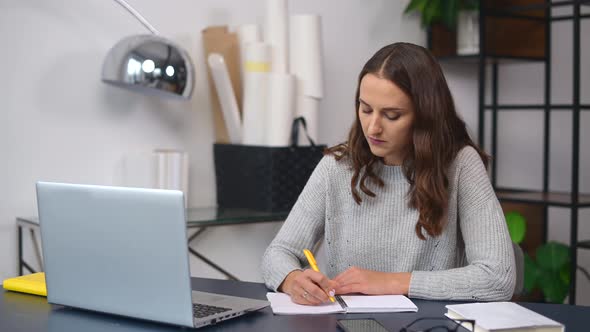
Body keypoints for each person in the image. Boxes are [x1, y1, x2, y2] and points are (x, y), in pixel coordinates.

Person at [261, 42, 516, 305]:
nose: (373, 128)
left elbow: (497, 278)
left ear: (425, 116)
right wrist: (292, 279)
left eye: (392, 115)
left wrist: (389, 282)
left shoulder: (461, 165)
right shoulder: (336, 167)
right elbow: (278, 252)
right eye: (365, 109)